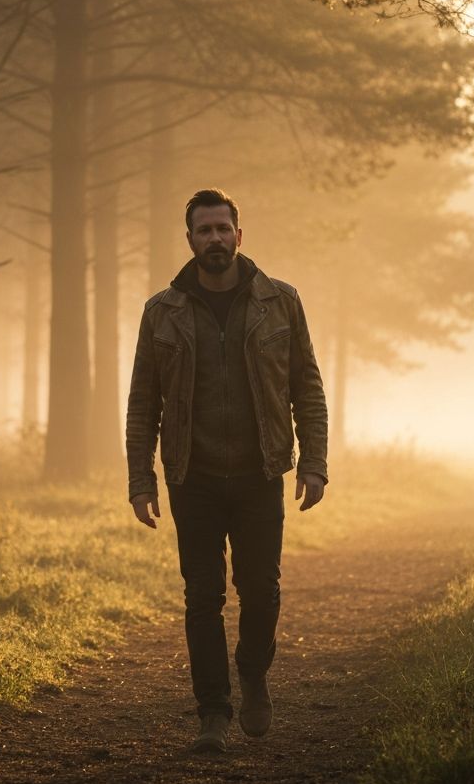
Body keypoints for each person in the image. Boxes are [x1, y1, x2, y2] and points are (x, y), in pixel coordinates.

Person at [125, 188, 329, 753]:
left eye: (223, 229)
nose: (214, 239)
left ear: (240, 235)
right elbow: (144, 403)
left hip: (262, 472)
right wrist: (141, 481)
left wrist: (313, 462)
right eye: (203, 230)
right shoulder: (161, 312)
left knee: (261, 591)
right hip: (192, 476)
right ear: (189, 239)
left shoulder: (280, 302)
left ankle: (254, 673)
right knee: (202, 596)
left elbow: (306, 387)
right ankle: (212, 712)